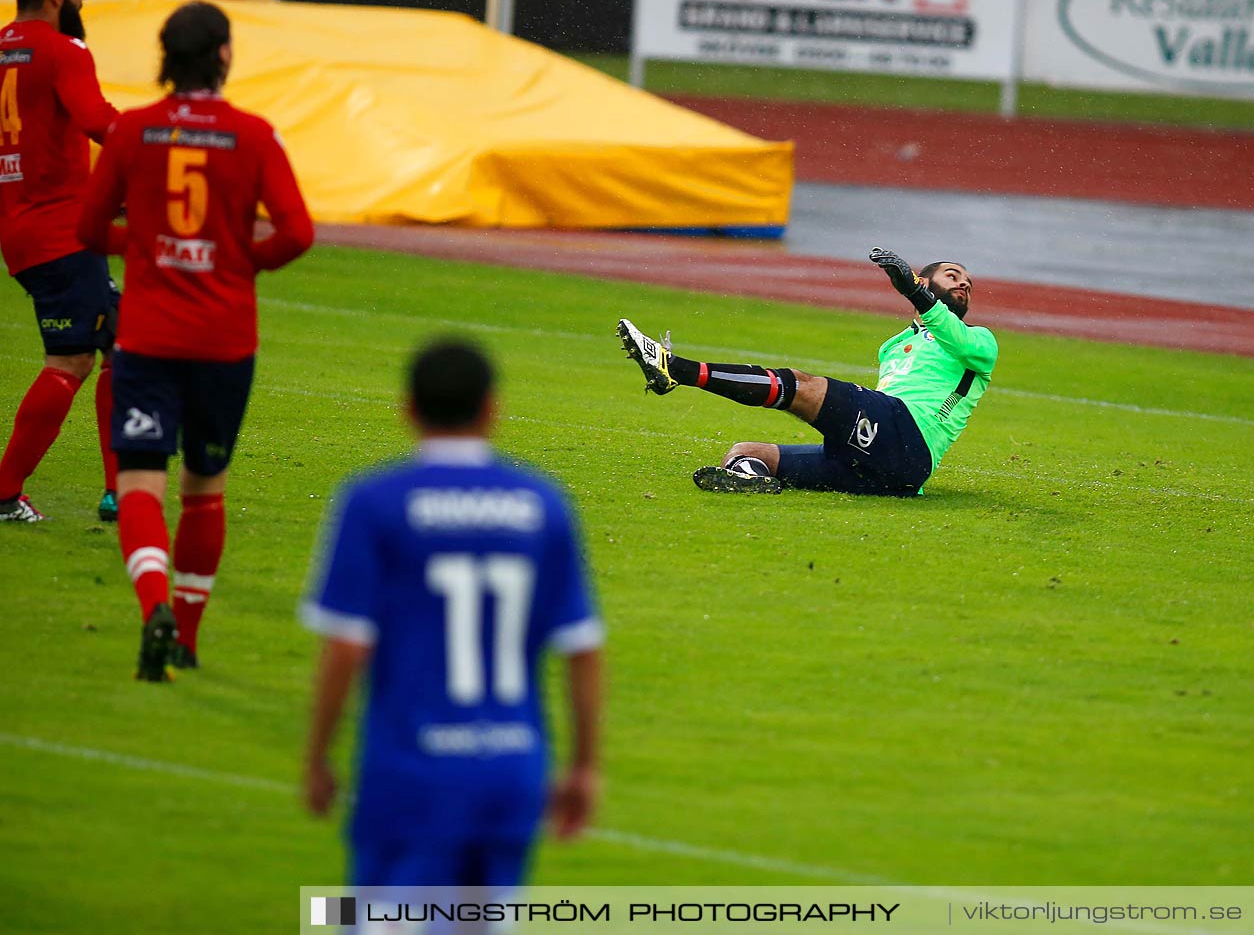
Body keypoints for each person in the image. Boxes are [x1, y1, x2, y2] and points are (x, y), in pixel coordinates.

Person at [300, 338, 605, 896]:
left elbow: (346, 646)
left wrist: (318, 754)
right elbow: (581, 646)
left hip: (410, 768)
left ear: (408, 409)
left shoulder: (375, 502)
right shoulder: (542, 503)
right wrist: (585, 765)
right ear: (493, 408)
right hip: (511, 768)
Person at [76, 0, 314, 682]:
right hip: (224, 338)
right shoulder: (253, 135)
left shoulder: (133, 132)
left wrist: (149, 250)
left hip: (149, 334)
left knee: (140, 484)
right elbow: (297, 232)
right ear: (225, 56)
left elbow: (90, 230)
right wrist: (238, 261)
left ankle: (151, 603)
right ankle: (184, 634)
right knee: (204, 489)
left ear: (165, 58)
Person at [618, 247, 997, 496]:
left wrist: (916, 293)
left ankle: (675, 369)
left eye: (968, 282)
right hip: (881, 466)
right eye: (952, 275)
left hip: (910, 440)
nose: (963, 282)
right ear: (926, 280)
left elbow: (955, 339)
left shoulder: (980, 341)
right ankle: (750, 480)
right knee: (746, 452)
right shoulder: (894, 344)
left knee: (800, 386)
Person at [0, 0, 122, 523]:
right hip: (61, 233)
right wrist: (158, 143)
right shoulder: (64, 50)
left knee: (122, 340)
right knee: (70, 361)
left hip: (22, 230)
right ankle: (4, 492)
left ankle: (120, 488)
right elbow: (99, 121)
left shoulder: (2, 47)